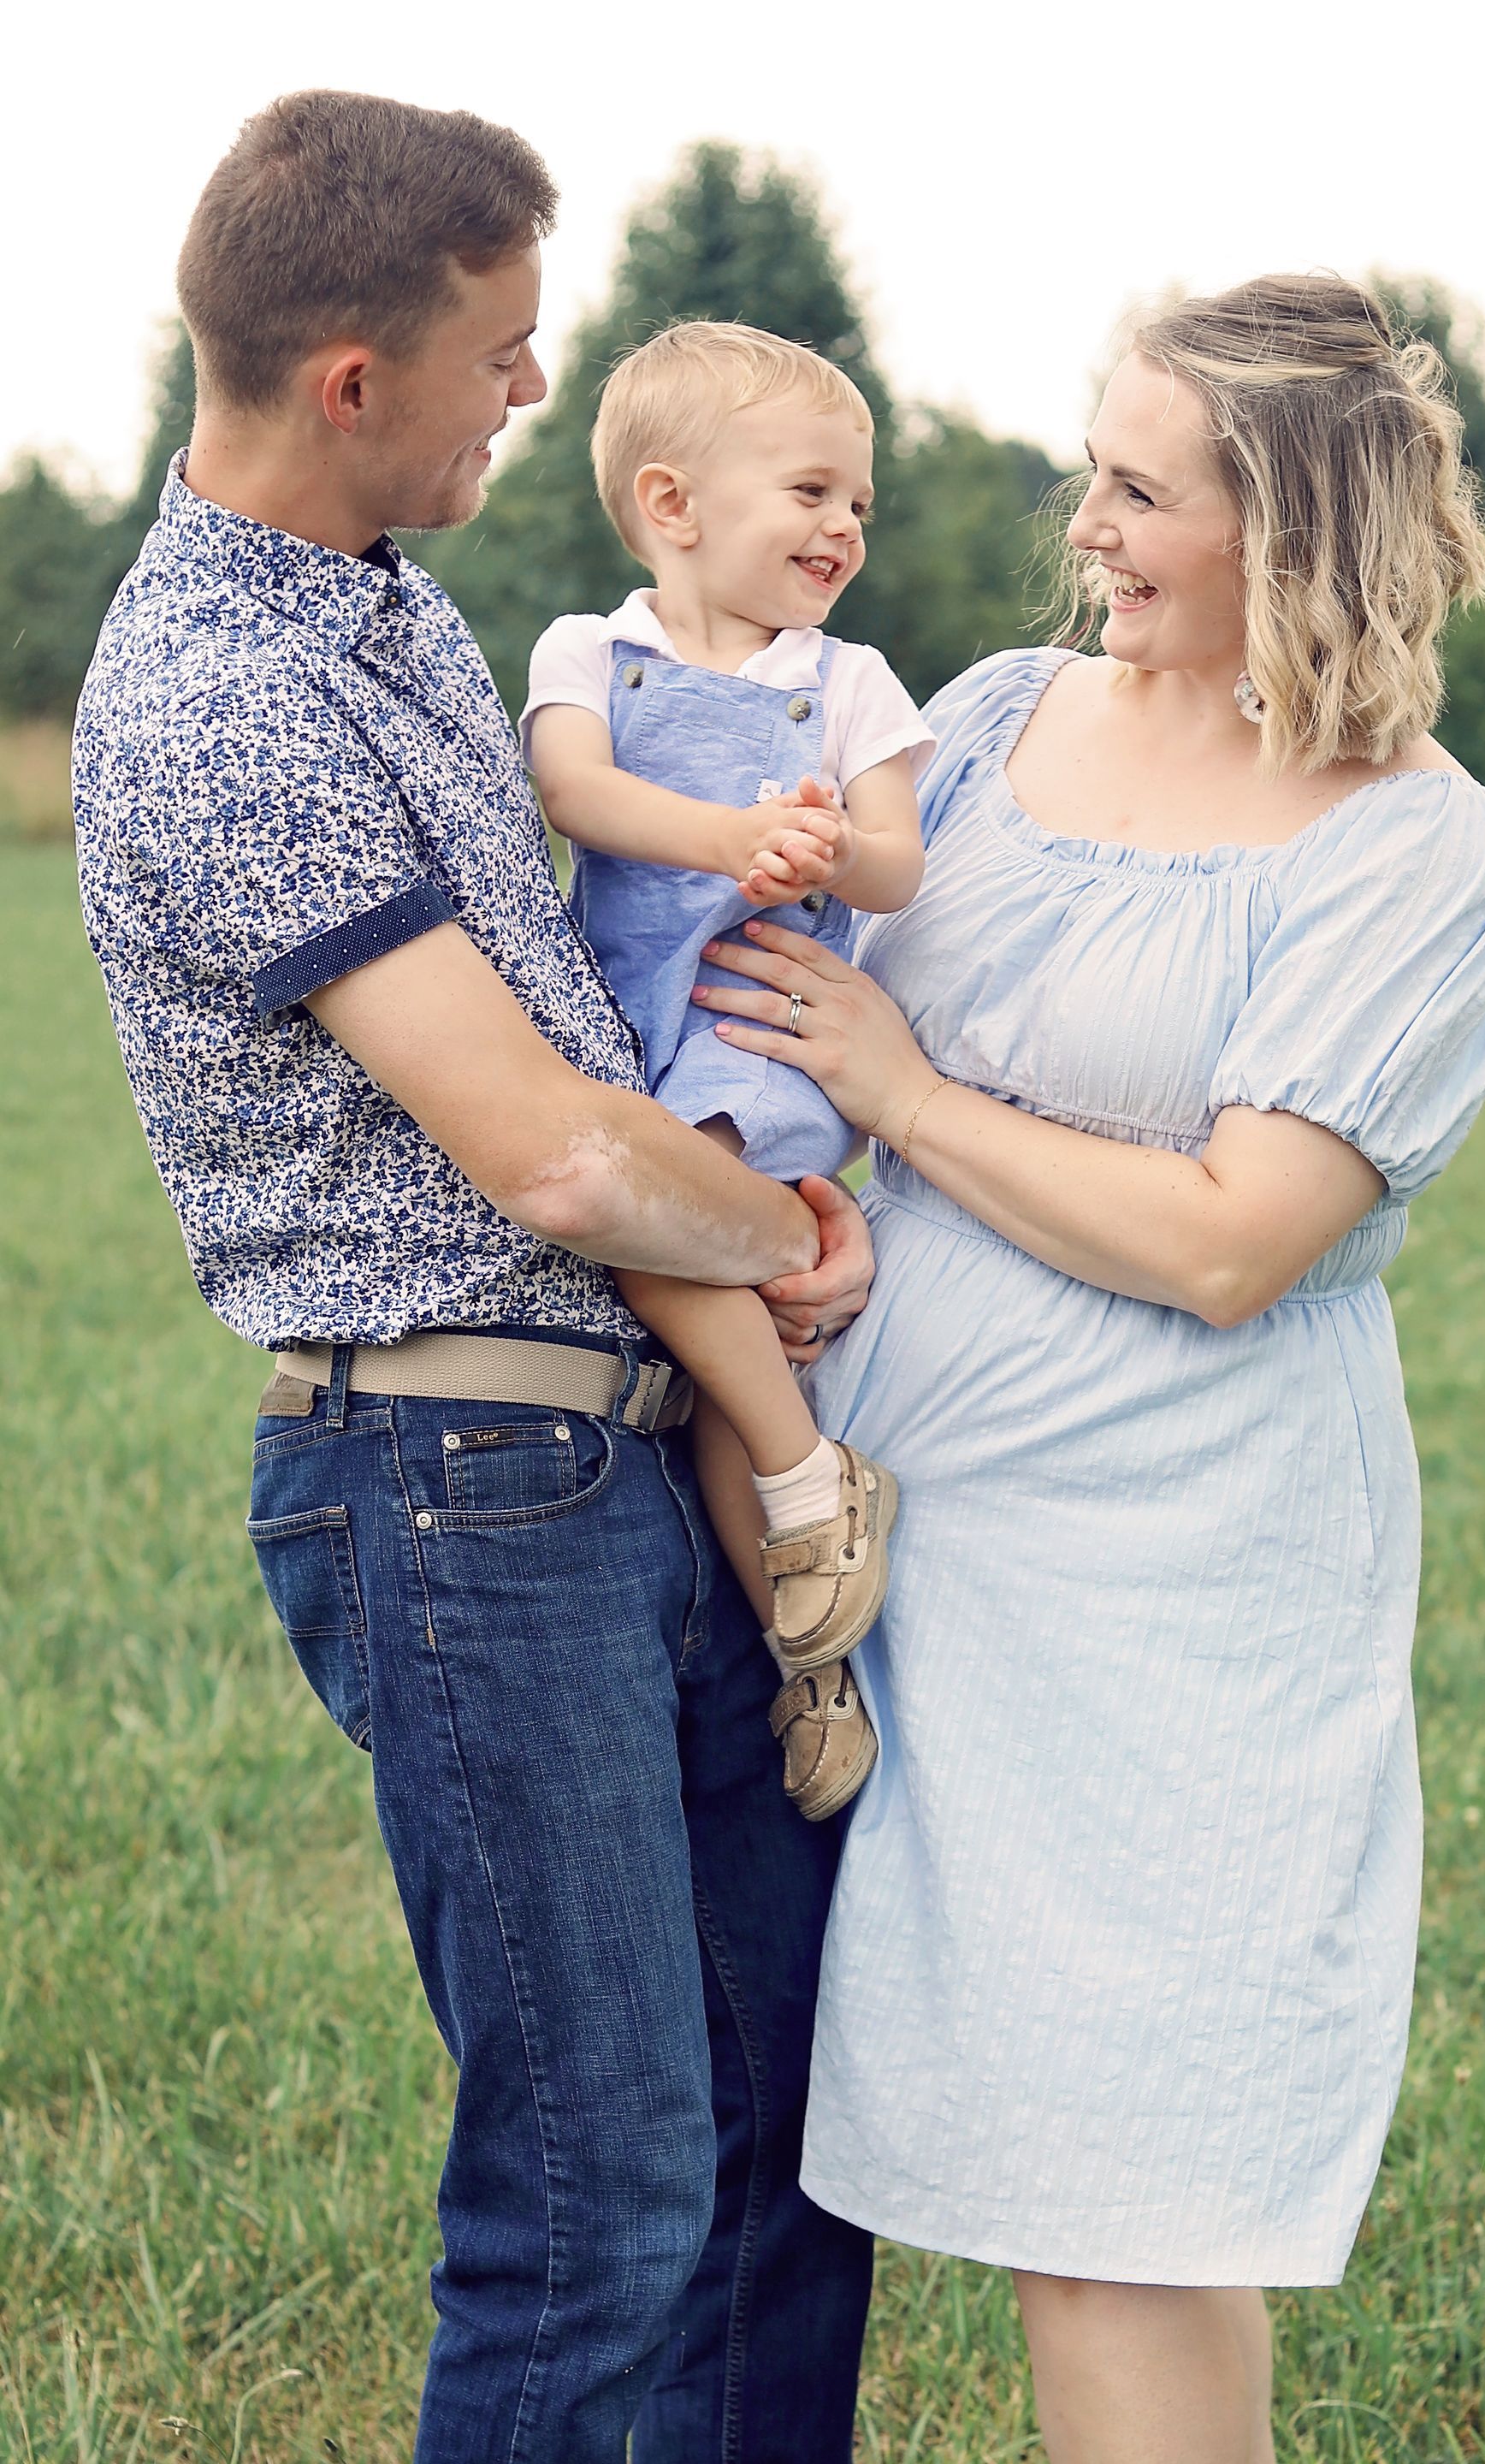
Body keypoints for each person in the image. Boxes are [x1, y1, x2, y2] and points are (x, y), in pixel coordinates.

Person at [72, 90, 875, 2464]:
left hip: (623, 1449)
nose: (536, 388)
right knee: (599, 2199)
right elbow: (546, 1146)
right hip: (461, 1478)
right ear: (352, 379)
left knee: (776, 2147)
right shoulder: (219, 696)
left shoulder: (395, 614)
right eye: (504, 351)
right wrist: (788, 1241)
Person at [692, 275, 1485, 2464]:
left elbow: (1234, 1240)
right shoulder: (990, 720)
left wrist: (907, 1095)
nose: (1084, 524)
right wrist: (822, 1205)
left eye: (1139, 490)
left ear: (1297, 530)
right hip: (874, 1547)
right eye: (1096, 470)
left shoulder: (1424, 851)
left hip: (1174, 1584)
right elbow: (792, 1020)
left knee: (1124, 2206)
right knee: (765, 2142)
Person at [524, 321, 932, 1817]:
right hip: (631, 1030)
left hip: (760, 1037)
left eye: (860, 504)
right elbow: (575, 791)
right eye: (813, 492)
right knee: (708, 1372)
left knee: (654, 1221)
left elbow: (896, 863)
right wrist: (732, 836)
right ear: (672, 503)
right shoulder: (589, 652)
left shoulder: (850, 680)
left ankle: (811, 1482)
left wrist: (828, 853)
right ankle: (809, 1666)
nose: (845, 528)